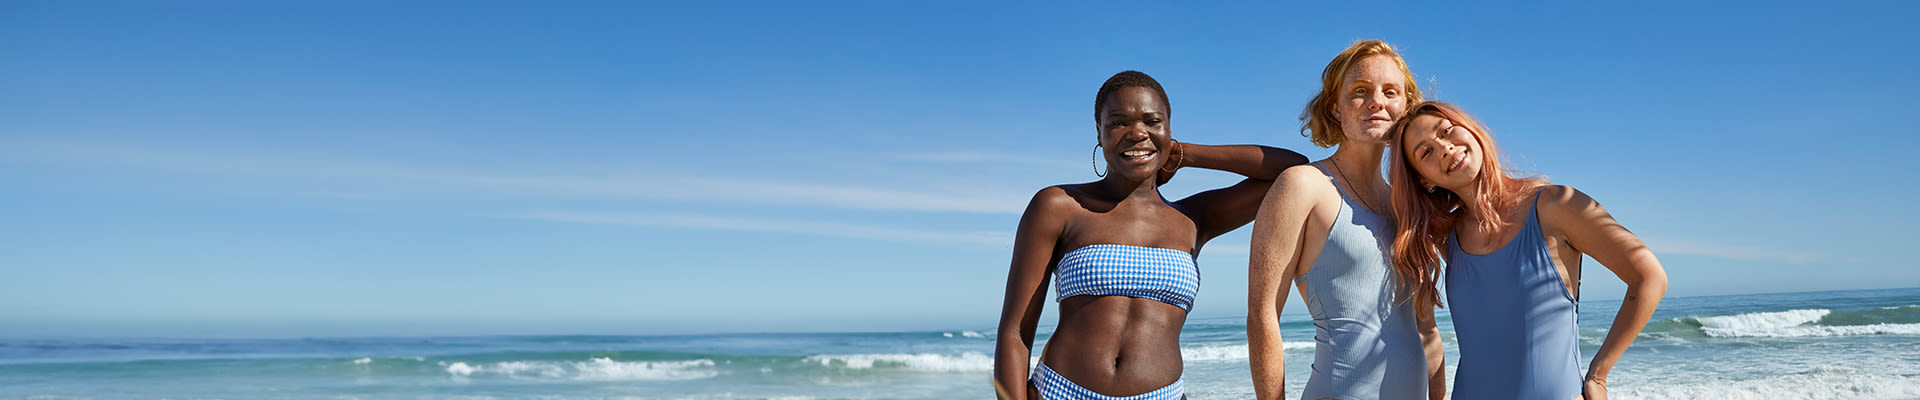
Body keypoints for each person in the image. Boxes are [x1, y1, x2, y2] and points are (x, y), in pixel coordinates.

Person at [992, 70, 1307, 400]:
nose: (1136, 133)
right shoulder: (1060, 205)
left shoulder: (1194, 218)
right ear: (1099, 133)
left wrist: (1184, 153)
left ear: (1169, 130)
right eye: (1118, 122)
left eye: (1152, 122)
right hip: (1061, 392)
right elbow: (1015, 331)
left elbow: (1290, 171)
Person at [1387, 101, 1669, 400]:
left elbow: (1648, 276)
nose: (1444, 147)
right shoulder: (1446, 238)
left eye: (1446, 130)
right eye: (1426, 152)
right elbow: (1426, 332)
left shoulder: (1556, 205)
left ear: (1470, 129)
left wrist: (1598, 375)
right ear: (1425, 180)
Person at [1246, 40, 1446, 400]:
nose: (1377, 102)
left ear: (1405, 107)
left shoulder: (1409, 204)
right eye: (1360, 91)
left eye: (1390, 92)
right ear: (1335, 108)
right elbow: (1263, 316)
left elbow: (1427, 331)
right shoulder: (1303, 185)